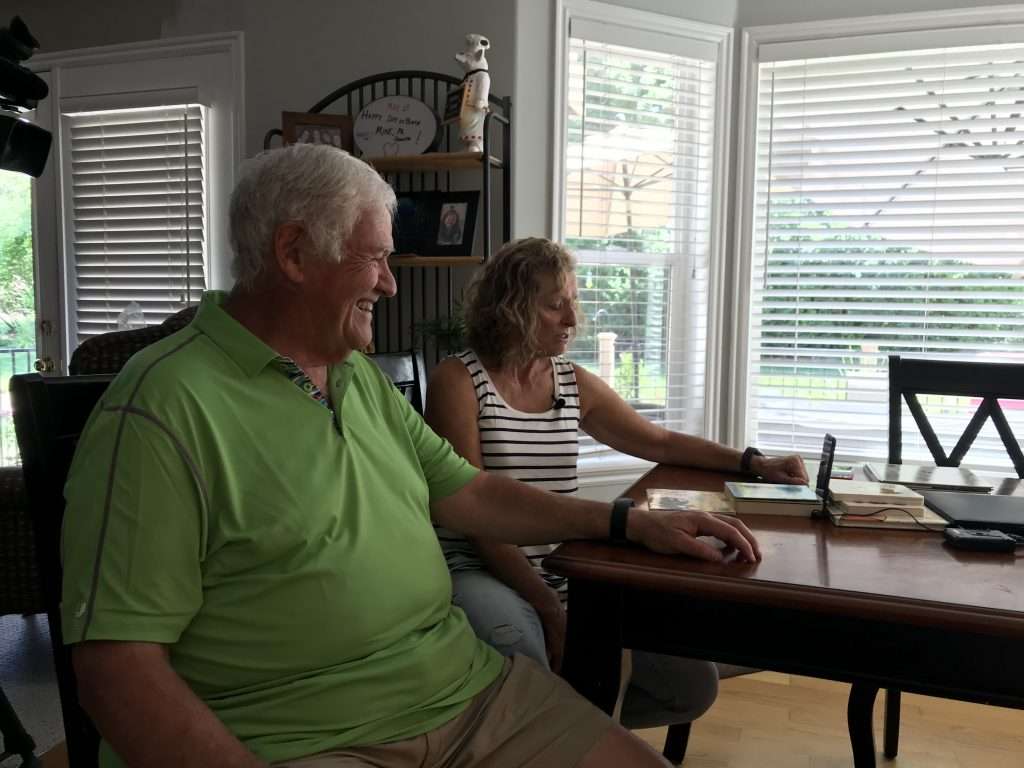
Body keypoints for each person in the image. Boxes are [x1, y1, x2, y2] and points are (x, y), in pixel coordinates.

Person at [59, 145, 763, 768]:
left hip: (468, 696)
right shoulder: (159, 409)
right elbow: (117, 670)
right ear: (294, 254)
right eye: (375, 257)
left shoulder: (358, 376)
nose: (390, 283)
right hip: (298, 736)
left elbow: (470, 494)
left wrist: (623, 523)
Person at [426, 237, 809, 730]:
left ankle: (569, 738)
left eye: (574, 301)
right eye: (555, 305)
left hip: (563, 564)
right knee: (524, 652)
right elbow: (477, 517)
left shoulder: (570, 382)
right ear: (512, 309)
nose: (572, 319)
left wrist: (754, 462)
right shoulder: (458, 381)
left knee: (689, 686)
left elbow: (661, 442)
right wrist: (548, 606)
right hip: (481, 566)